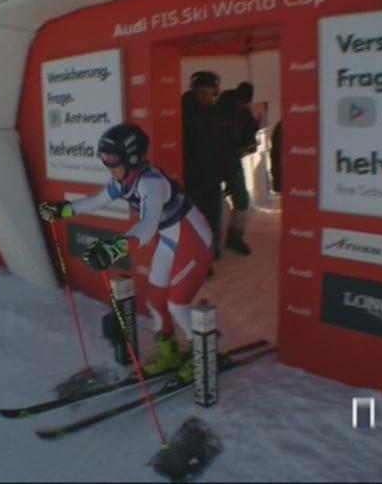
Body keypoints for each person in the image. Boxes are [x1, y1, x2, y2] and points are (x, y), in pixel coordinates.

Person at [38, 123, 213, 383]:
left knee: (177, 304)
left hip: (194, 242)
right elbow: (96, 201)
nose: (108, 166)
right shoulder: (124, 180)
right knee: (155, 301)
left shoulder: (151, 184)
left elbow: (147, 225)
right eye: (104, 160)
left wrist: (116, 246)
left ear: (131, 158)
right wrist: (62, 209)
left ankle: (203, 356)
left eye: (112, 160)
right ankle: (170, 354)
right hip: (170, 240)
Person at [181, 71, 225, 267]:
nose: (209, 97)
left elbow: (219, 145)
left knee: (213, 217)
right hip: (193, 178)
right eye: (205, 93)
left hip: (212, 176)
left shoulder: (214, 112)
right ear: (196, 91)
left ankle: (210, 252)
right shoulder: (184, 111)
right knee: (195, 221)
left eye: (212, 93)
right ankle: (197, 260)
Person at [216, 81, 260, 255]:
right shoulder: (220, 109)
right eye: (241, 102)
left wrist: (248, 144)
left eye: (245, 103)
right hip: (215, 162)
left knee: (242, 198)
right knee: (213, 202)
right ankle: (211, 240)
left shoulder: (245, 113)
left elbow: (250, 136)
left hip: (232, 161)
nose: (243, 105)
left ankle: (235, 236)